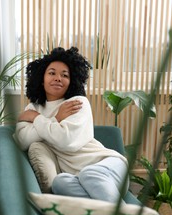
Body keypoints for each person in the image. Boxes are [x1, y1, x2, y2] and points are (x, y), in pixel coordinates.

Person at [14, 46, 129, 203]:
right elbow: (22, 140)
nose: (58, 78)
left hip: (108, 165)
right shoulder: (33, 109)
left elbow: (66, 141)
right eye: (52, 73)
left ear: (71, 81)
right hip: (78, 178)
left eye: (65, 75)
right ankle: (107, 213)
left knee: (90, 174)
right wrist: (55, 119)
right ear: (42, 79)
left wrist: (36, 119)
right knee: (60, 183)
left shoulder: (77, 103)